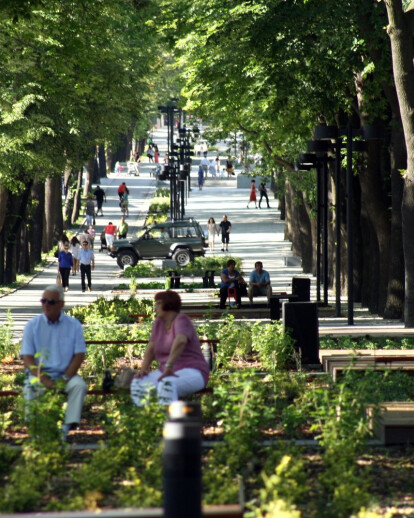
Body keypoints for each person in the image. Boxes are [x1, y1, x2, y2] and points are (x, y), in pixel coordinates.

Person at [20, 285, 87, 440]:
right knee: (31, 387)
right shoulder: (32, 325)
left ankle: (67, 426)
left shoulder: (74, 325)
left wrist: (64, 379)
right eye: (43, 301)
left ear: (61, 304)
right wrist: (44, 379)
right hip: (40, 374)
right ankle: (35, 430)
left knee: (79, 386)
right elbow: (28, 358)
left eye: (50, 301)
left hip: (66, 375)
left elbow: (79, 355)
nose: (46, 305)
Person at [130, 291, 209, 406]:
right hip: (165, 371)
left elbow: (181, 340)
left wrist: (169, 365)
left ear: (168, 304)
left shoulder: (181, 320)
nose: (155, 307)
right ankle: (144, 420)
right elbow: (151, 348)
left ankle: (168, 420)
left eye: (158, 303)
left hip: (193, 371)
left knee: (167, 384)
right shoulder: (158, 323)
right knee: (138, 382)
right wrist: (143, 369)